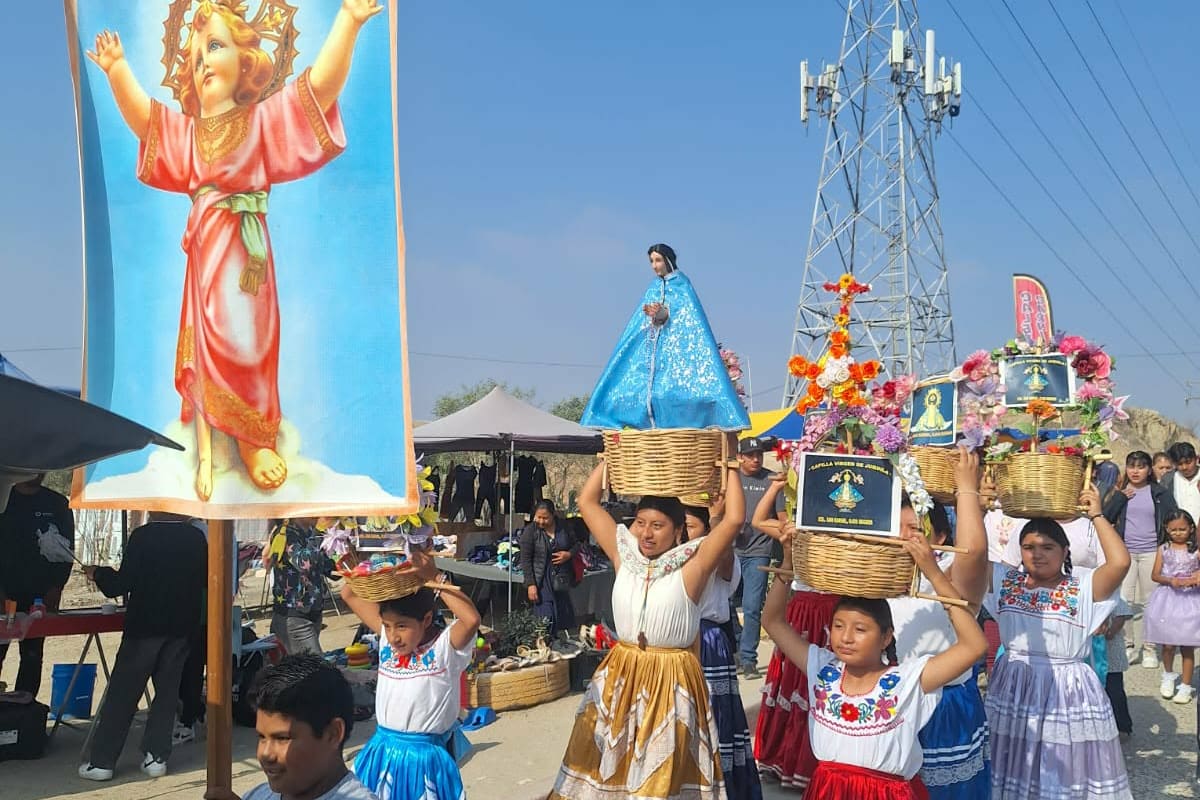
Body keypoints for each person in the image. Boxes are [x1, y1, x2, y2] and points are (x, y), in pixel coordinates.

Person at [85, 0, 383, 500]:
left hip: (248, 258)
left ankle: (252, 438)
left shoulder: (261, 122)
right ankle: (214, 435)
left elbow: (318, 91)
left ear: (247, 62)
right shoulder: (191, 134)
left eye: (215, 47)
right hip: (207, 256)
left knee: (251, 340)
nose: (202, 61)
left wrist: (348, 23)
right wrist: (118, 71)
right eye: (196, 54)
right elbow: (147, 122)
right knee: (210, 340)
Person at [549, 454, 745, 800]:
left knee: (660, 771)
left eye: (658, 525)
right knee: (609, 760)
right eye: (640, 523)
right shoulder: (625, 556)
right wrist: (608, 458)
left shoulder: (693, 567)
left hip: (670, 677)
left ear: (677, 530)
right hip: (622, 672)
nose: (646, 533)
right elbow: (586, 502)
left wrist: (728, 467)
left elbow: (733, 520)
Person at [762, 524, 987, 799]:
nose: (845, 638)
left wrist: (932, 573)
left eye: (860, 630)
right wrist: (787, 560)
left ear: (885, 637)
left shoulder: (908, 681)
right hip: (828, 789)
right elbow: (772, 621)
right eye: (838, 626)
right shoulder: (823, 669)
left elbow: (974, 646)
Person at [984, 485, 1132, 800]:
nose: (1037, 553)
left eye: (1048, 547)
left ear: (1065, 550)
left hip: (1067, 689)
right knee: (1013, 760)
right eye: (1028, 546)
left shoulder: (1082, 583)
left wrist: (1097, 516)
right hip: (1015, 682)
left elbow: (1119, 563)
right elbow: (970, 558)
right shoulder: (1005, 580)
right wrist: (979, 505)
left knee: (1062, 766)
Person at [887, 447, 991, 799]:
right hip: (890, 702)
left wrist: (966, 487)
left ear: (941, 539)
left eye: (915, 529)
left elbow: (975, 552)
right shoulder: (876, 577)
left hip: (943, 705)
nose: (904, 538)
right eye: (896, 529)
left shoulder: (949, 576)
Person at [340, 546, 480, 800]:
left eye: (402, 626)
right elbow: (349, 594)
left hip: (423, 762)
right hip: (380, 752)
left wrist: (435, 578)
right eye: (388, 626)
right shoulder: (387, 643)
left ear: (426, 620)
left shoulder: (443, 650)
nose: (393, 635)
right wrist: (362, 566)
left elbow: (470, 619)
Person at [78, 513, 208, 781]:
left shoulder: (143, 536)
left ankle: (102, 761)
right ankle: (156, 756)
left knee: (124, 693)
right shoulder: (196, 538)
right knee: (167, 693)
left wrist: (98, 573)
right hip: (182, 627)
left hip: (144, 627)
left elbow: (121, 584)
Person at [579, 243, 750, 431]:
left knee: (679, 395)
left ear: (668, 260)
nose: (654, 265)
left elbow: (688, 318)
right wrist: (653, 315)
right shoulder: (653, 287)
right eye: (651, 261)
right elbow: (642, 322)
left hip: (677, 355)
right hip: (652, 351)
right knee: (625, 391)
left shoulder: (682, 284)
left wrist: (664, 313)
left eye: (658, 260)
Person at [749, 477, 837, 791]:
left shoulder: (849, 538)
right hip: (801, 612)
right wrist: (774, 486)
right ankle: (782, 759)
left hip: (832, 616)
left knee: (821, 686)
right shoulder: (798, 532)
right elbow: (758, 519)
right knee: (792, 682)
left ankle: (814, 761)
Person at [203, 654, 378, 800]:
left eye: (282, 738)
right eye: (262, 737)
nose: (265, 754)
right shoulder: (258, 795)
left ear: (332, 734)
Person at [683, 504, 762, 800]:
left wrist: (719, 519)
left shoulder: (721, 556)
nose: (684, 533)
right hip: (676, 642)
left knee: (712, 718)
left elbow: (726, 558)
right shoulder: (672, 557)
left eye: (690, 526)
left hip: (707, 642)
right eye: (681, 525)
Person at [0, 473, 74, 697]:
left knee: (32, 657)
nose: (36, 473)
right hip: (5, 591)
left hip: (40, 597)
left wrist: (56, 586)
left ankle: (23, 712)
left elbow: (67, 552)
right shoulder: (4, 499)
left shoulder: (58, 504)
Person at [1102, 450, 1178, 668]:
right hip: (1125, 553)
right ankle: (1127, 645)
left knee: (1151, 602)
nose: (1135, 471)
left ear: (1149, 470)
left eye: (1141, 466)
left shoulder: (1159, 493)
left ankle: (1149, 648)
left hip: (1152, 553)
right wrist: (1119, 497)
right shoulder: (1120, 493)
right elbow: (1105, 518)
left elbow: (1172, 519)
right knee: (1124, 600)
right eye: (1131, 466)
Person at [731, 437, 787, 680]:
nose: (756, 459)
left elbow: (782, 516)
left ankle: (748, 659)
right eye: (751, 455)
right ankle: (734, 649)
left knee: (753, 607)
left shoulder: (771, 480)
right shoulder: (731, 478)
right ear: (740, 457)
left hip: (758, 551)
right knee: (726, 605)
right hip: (730, 551)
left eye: (759, 455)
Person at [1144, 510, 1200, 704]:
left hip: (1190, 601)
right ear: (1166, 529)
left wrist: (1196, 577)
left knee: (1187, 645)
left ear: (1191, 528)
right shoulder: (1164, 549)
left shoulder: (1196, 550)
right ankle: (1168, 675)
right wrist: (1171, 580)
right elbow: (1155, 575)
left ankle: (1185, 685)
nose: (1177, 533)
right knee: (1167, 644)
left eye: (1182, 529)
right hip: (1168, 599)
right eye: (1173, 529)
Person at [266, 518, 336, 656]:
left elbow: (323, 564)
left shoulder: (310, 531)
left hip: (313, 611)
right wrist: (319, 532)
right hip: (294, 616)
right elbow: (304, 563)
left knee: (299, 670)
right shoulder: (285, 533)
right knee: (315, 668)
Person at [518, 500, 577, 636]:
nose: (541, 521)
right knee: (546, 617)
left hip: (560, 578)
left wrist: (569, 554)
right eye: (538, 517)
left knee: (562, 614)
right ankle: (544, 644)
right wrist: (531, 584)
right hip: (542, 579)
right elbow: (525, 560)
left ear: (553, 515)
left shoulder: (564, 527)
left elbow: (577, 545)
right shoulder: (530, 531)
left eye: (545, 518)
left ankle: (559, 647)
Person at [1101, 596, 1134, 739]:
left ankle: (1123, 726)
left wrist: (1111, 630)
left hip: (1110, 652)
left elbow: (1121, 614)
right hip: (1087, 652)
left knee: (1114, 691)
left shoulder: (1111, 592)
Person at [1162, 442, 1200, 526]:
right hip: (1179, 534)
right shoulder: (1168, 480)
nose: (1184, 467)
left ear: (1197, 459)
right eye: (1179, 464)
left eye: (1188, 462)